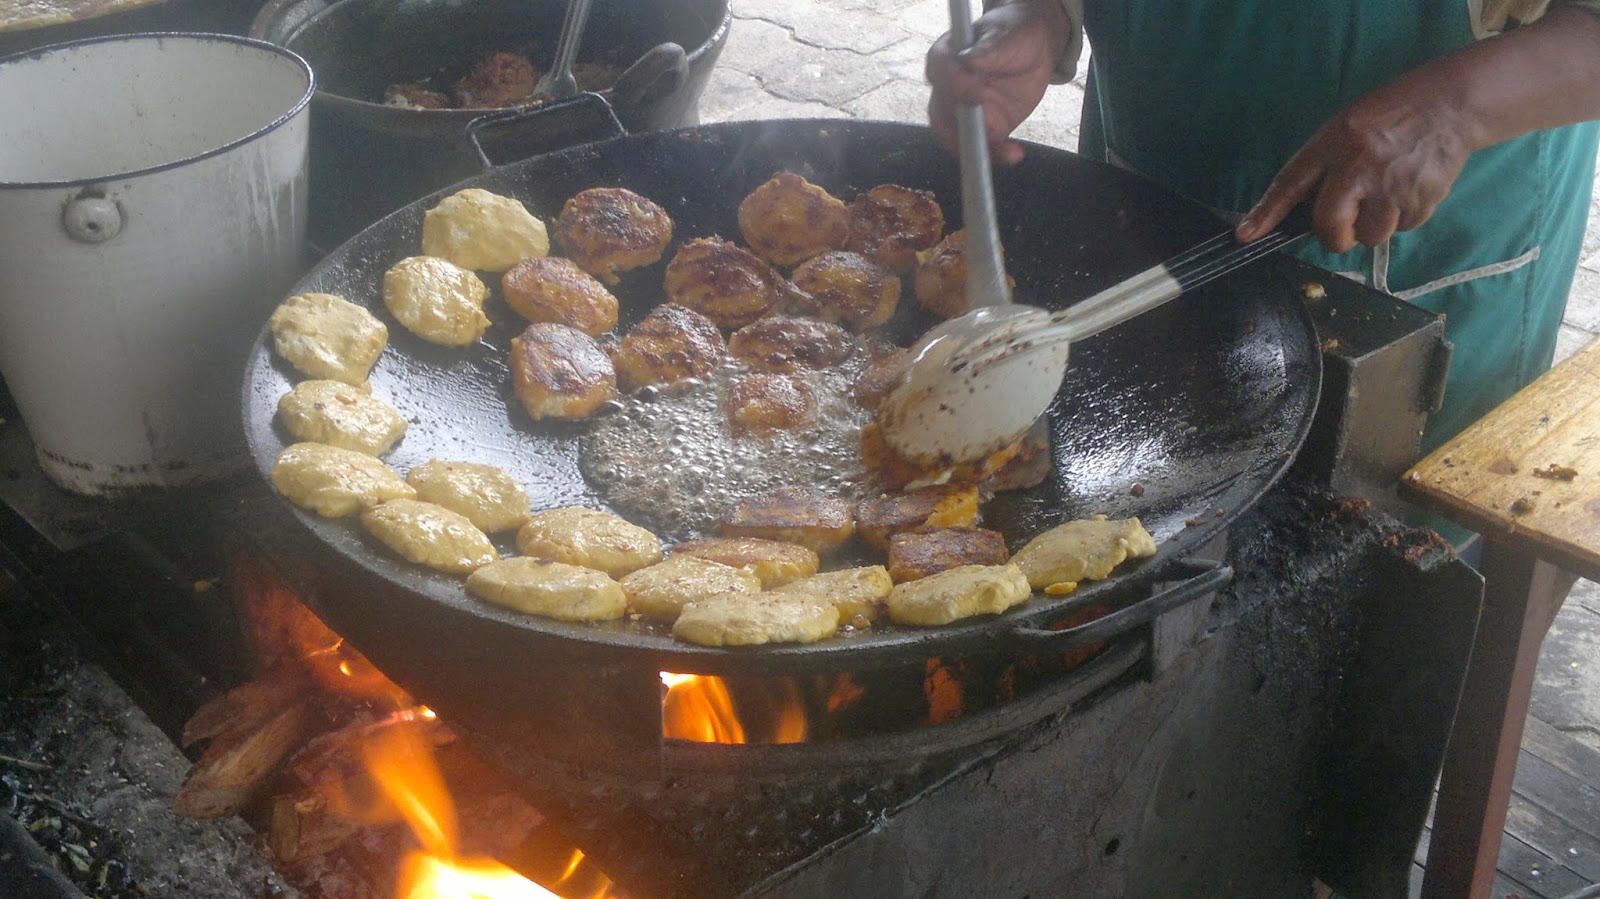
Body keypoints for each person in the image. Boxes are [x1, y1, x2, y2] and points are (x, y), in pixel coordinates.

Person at [926, 0, 1600, 454]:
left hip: (1432, 234)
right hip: (1150, 182)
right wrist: (1038, 17)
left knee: (1403, 586)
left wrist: (1454, 110)